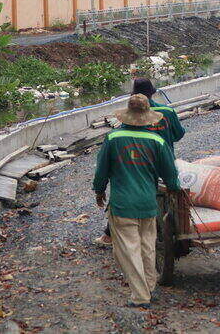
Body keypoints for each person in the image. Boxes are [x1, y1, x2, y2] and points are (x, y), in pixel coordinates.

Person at [92, 94, 180, 308]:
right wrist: (175, 191)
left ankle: (140, 296)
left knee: (129, 251)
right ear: (147, 116)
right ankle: (150, 287)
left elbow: (101, 170)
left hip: (123, 205)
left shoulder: (113, 138)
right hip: (148, 204)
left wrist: (99, 190)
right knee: (147, 247)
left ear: (127, 115)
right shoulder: (157, 141)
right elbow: (170, 176)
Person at [96, 78, 185, 247]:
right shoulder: (167, 112)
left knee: (127, 190)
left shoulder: (119, 131)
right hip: (165, 165)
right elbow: (179, 135)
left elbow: (103, 166)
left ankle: (110, 234)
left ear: (132, 96)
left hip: (135, 165)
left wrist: (99, 189)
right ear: (153, 92)